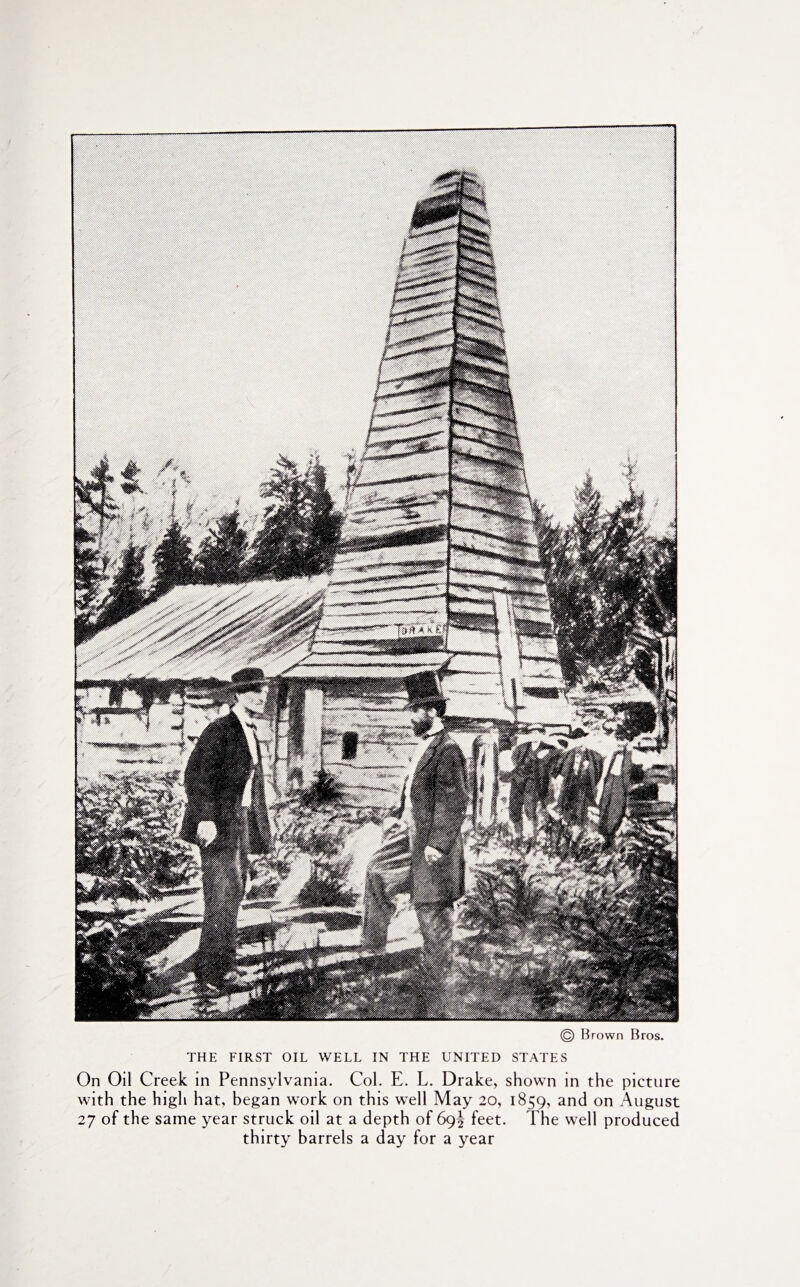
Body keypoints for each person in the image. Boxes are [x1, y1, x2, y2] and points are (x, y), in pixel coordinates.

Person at [362, 670, 469, 1016]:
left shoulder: (448, 749)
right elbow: (412, 789)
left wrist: (438, 843)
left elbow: (454, 802)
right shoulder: (423, 746)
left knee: (431, 908)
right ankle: (372, 948)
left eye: (415, 710)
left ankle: (439, 983)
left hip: (431, 844)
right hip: (408, 833)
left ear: (432, 713)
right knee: (376, 871)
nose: (411, 716)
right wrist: (396, 813)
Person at [179, 666, 273, 991]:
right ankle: (212, 974)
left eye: (263, 690)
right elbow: (196, 775)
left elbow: (251, 785)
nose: (262, 696)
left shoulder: (251, 731)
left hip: (240, 821)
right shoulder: (219, 729)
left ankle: (223, 967)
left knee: (234, 893)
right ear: (238, 695)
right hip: (218, 825)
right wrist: (205, 818)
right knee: (220, 896)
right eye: (254, 691)